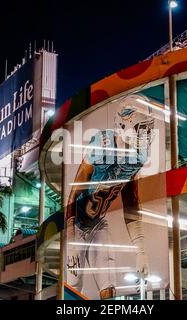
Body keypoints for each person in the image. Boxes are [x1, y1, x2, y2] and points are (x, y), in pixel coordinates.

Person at [65, 94, 157, 300]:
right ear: (124, 124)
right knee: (73, 288)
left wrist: (141, 248)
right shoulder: (102, 144)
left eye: (148, 128)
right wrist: (71, 238)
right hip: (77, 225)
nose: (147, 134)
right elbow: (75, 192)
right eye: (142, 128)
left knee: (109, 287)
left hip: (98, 223)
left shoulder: (138, 157)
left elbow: (131, 203)